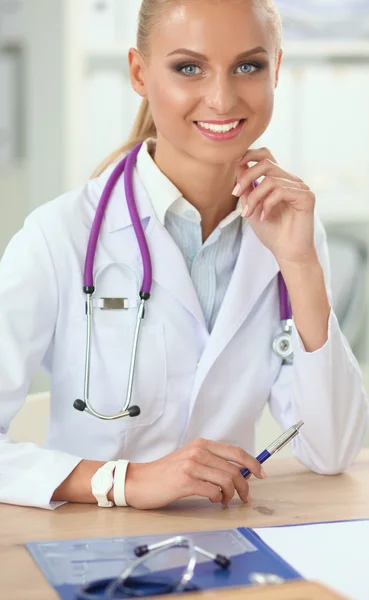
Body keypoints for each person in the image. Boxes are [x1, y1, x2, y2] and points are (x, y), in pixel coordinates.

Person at [0, 0, 368, 511]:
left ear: (276, 69)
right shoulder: (58, 236)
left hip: (230, 545)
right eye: (189, 68)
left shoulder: (292, 234)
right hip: (93, 550)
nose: (221, 97)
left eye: (248, 66)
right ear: (139, 73)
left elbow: (331, 450)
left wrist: (301, 265)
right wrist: (124, 481)